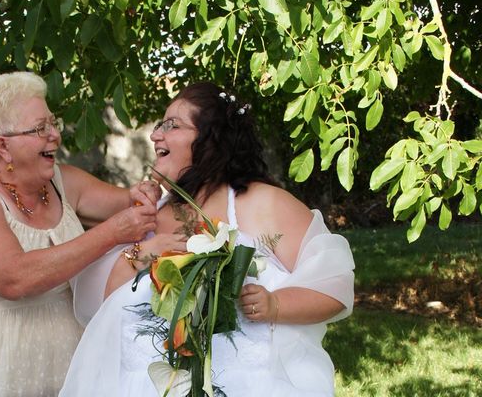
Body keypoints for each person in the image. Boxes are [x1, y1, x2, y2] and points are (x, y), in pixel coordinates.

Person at [60, 82, 355, 396]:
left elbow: (335, 287)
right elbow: (111, 309)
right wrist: (143, 252)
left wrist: (275, 304)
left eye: (171, 125)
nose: (155, 135)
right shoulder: (148, 214)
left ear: (211, 138)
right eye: (159, 125)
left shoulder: (262, 203)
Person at [0, 71, 160, 397]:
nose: (55, 135)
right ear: (3, 146)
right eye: (40, 129)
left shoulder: (59, 182)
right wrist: (112, 233)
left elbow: (129, 203)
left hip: (71, 353)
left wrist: (148, 191)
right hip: (0, 364)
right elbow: (15, 278)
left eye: (52, 123)